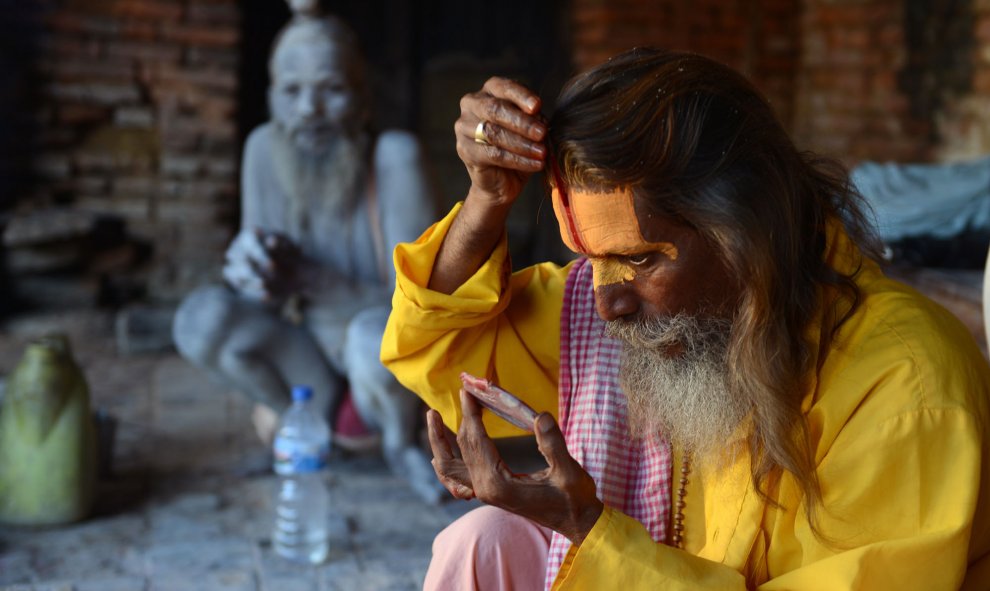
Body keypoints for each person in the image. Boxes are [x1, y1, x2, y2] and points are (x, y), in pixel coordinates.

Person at [380, 48, 990, 589]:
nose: (607, 303)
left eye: (640, 259)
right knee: (484, 541)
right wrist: (488, 201)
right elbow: (440, 353)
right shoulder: (636, 313)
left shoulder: (905, 381)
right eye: (592, 260)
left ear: (746, 233)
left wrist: (587, 528)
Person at [172, 10, 445, 504]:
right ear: (272, 98)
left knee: (370, 337)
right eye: (291, 91)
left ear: (362, 101)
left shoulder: (394, 157)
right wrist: (251, 272)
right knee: (200, 319)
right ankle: (302, 429)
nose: (308, 109)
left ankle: (401, 445)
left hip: (383, 371)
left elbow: (425, 312)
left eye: (330, 89)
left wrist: (313, 279)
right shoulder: (262, 151)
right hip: (308, 367)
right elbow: (261, 307)